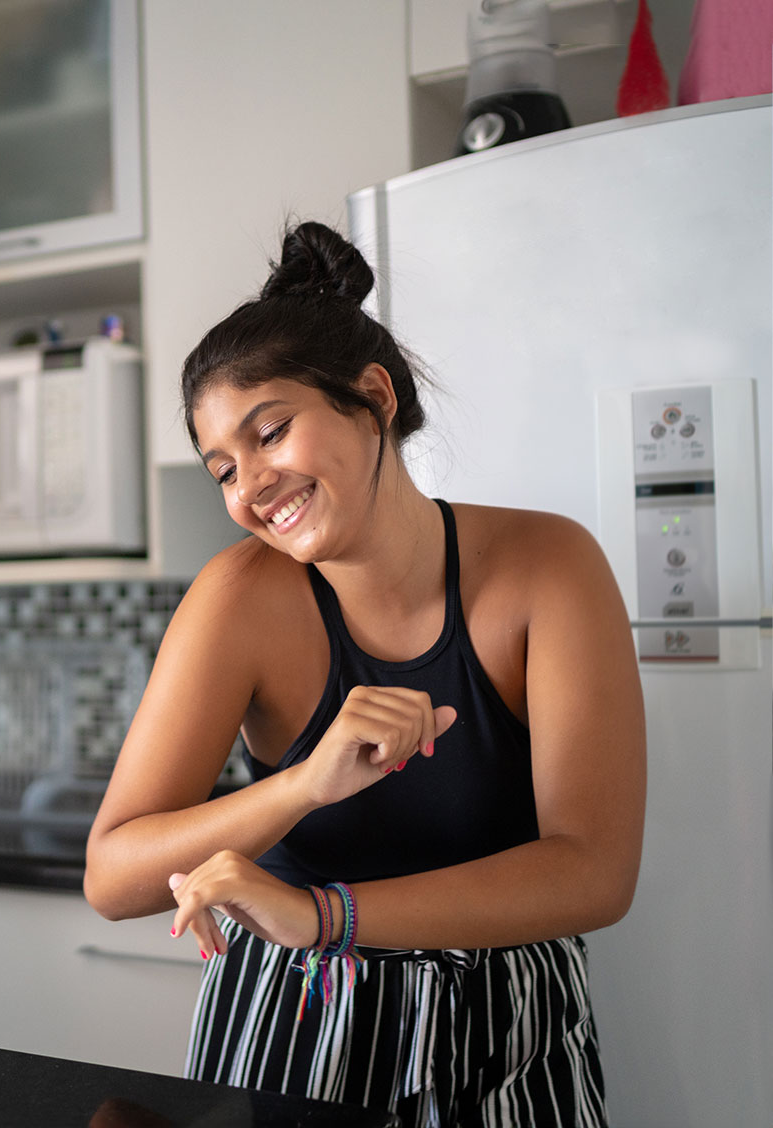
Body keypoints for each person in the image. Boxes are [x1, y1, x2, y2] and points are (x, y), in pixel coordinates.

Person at [83, 222, 645, 1127]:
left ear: (373, 397)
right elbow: (114, 878)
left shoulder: (549, 565)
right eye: (222, 468)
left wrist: (324, 916)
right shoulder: (237, 600)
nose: (249, 486)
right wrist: (305, 785)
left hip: (509, 1040)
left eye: (271, 434)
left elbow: (594, 874)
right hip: (295, 1037)